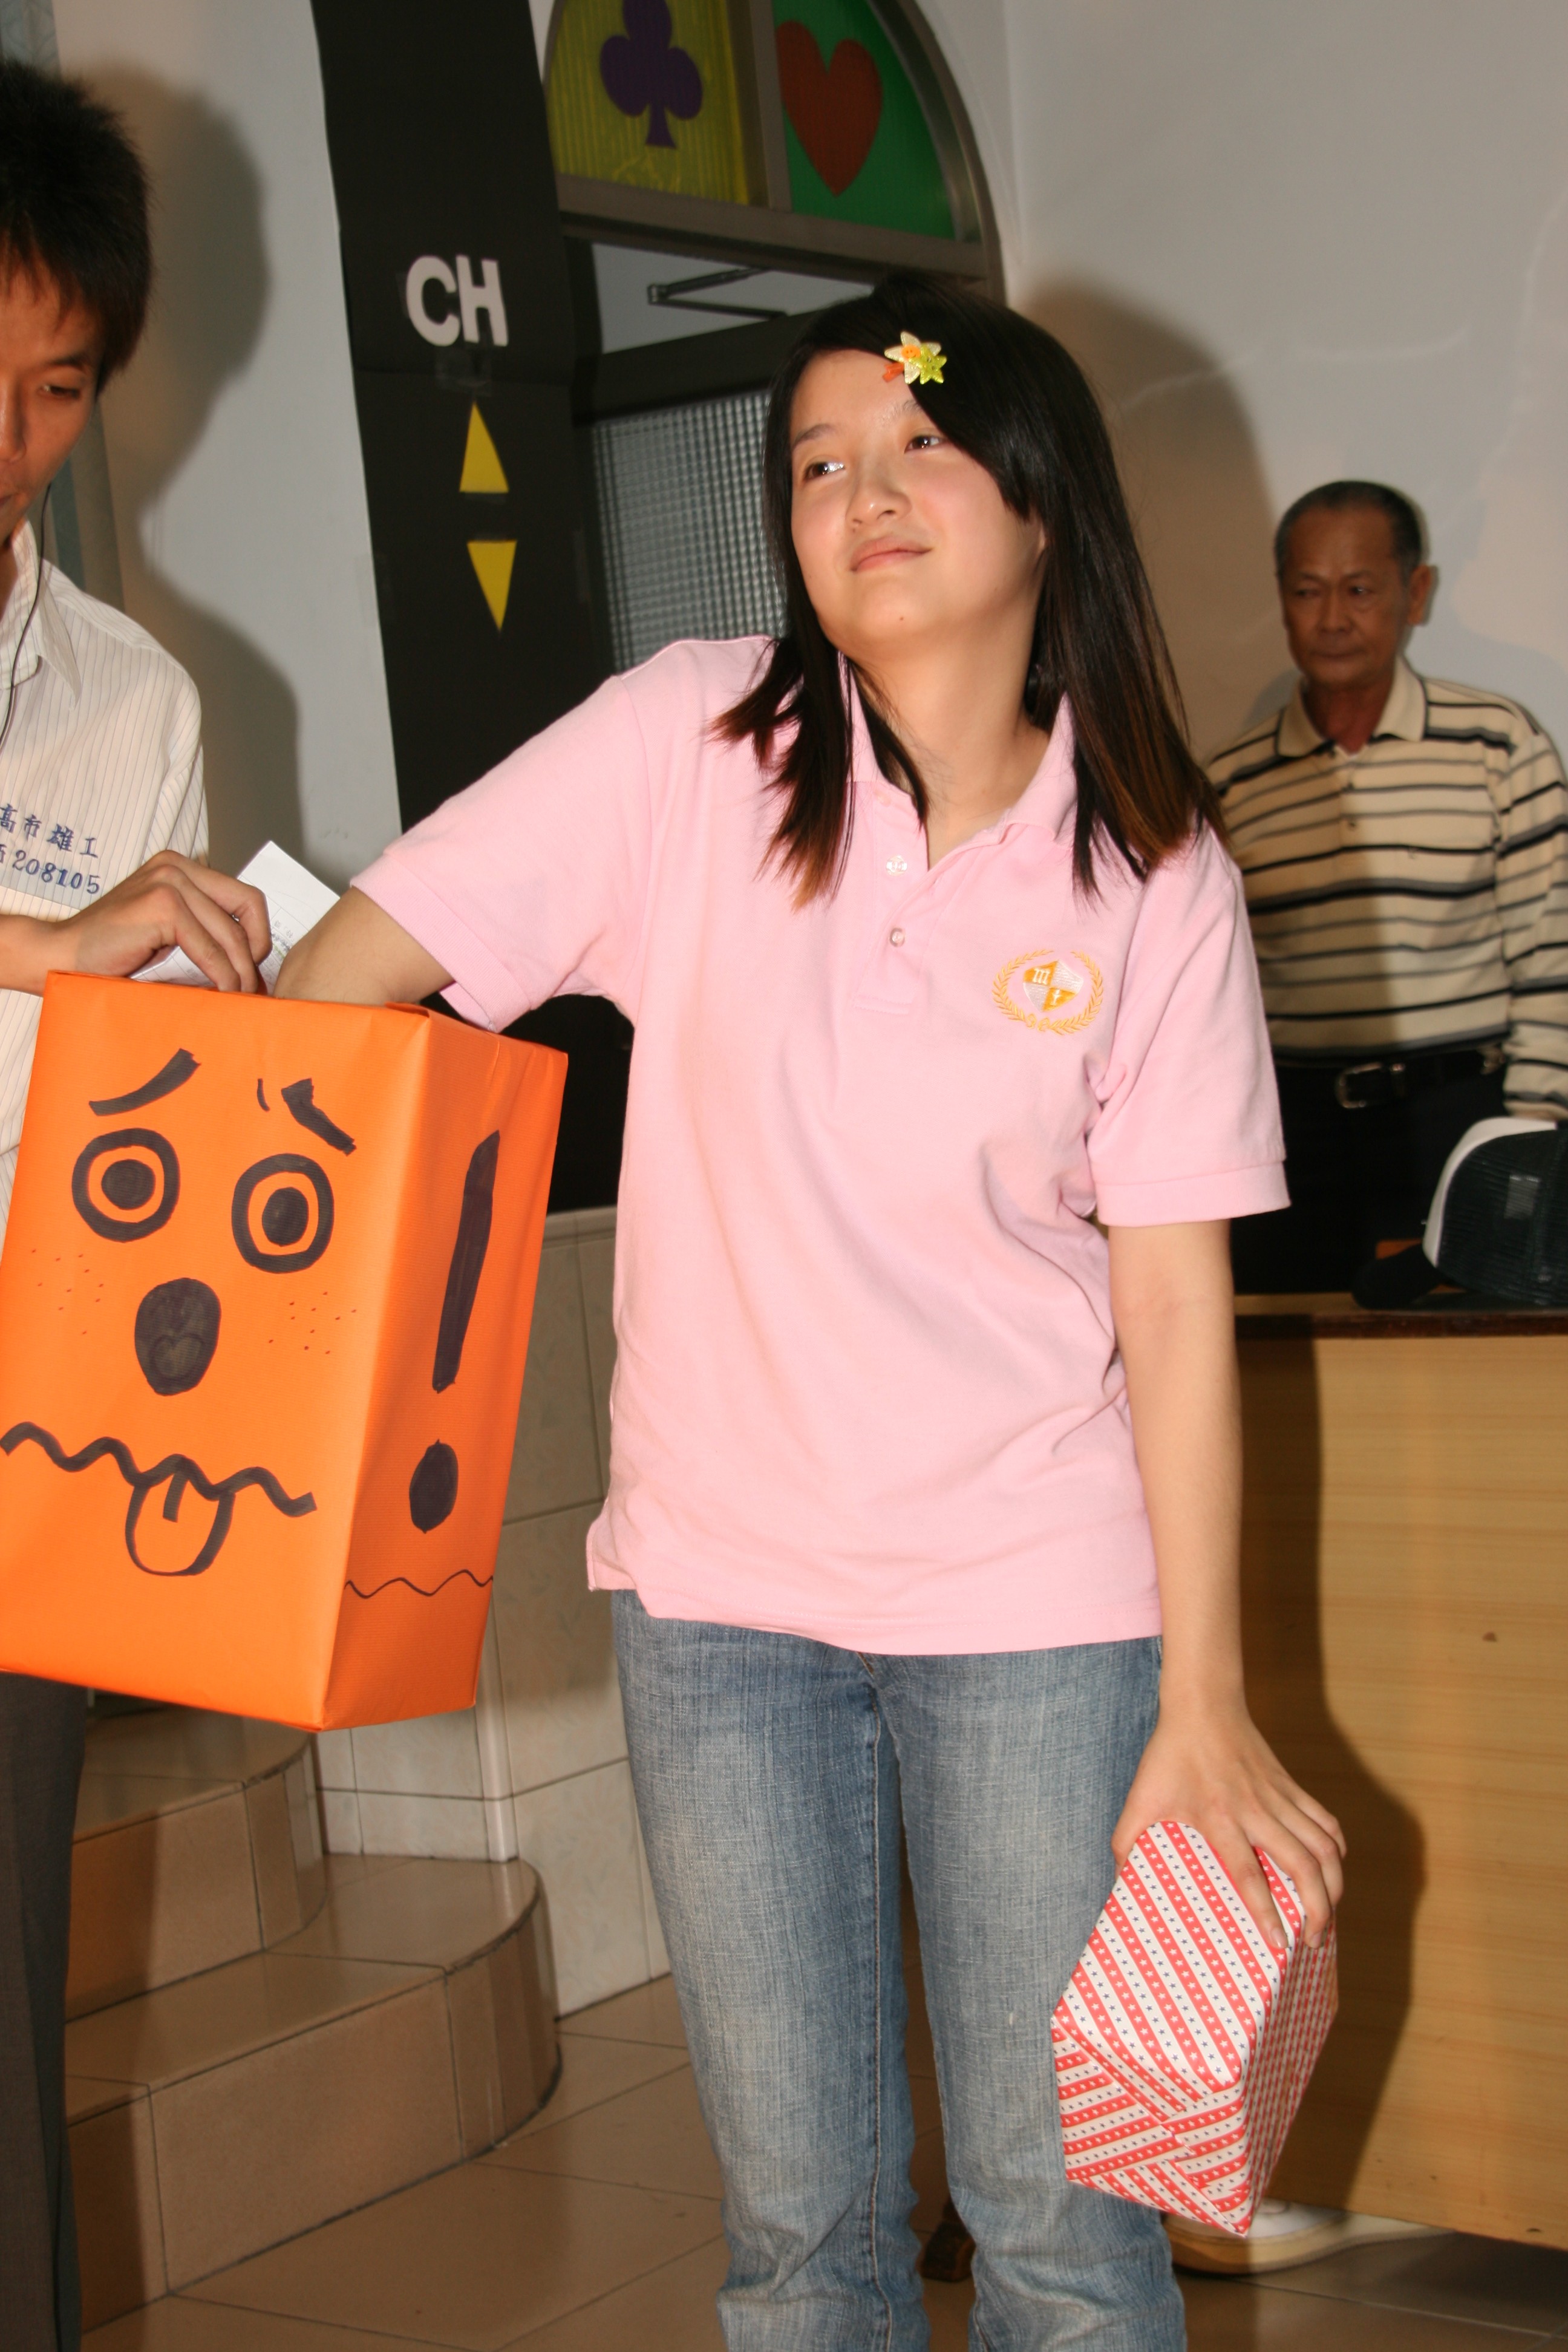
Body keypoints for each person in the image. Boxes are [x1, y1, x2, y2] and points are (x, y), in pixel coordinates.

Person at [280, 274, 1344, 2350]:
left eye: (919, 444)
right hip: (724, 1606)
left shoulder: (1151, 866)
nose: (861, 492)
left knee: (1064, 2233)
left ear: (1042, 496)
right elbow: (357, 973)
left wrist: (1205, 1694)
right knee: (799, 2235)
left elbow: (1172, 1294)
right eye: (816, 462)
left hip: (1040, 1605)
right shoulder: (692, 744)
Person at [0, 62, 269, 2352]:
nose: (4, 440)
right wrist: (49, 946)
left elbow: (148, 1102)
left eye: (55, 388)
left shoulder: (136, 701)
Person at [1210, 481, 1568, 1295]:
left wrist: (1528, 1144)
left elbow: (1553, 958)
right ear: (1282, 599)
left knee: (1469, 1356)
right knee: (1288, 1343)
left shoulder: (1499, 745)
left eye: (1361, 590)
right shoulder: (1228, 782)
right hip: (1291, 1133)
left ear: (1417, 592)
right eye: (1308, 591)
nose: (1333, 618)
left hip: (1464, 1118)